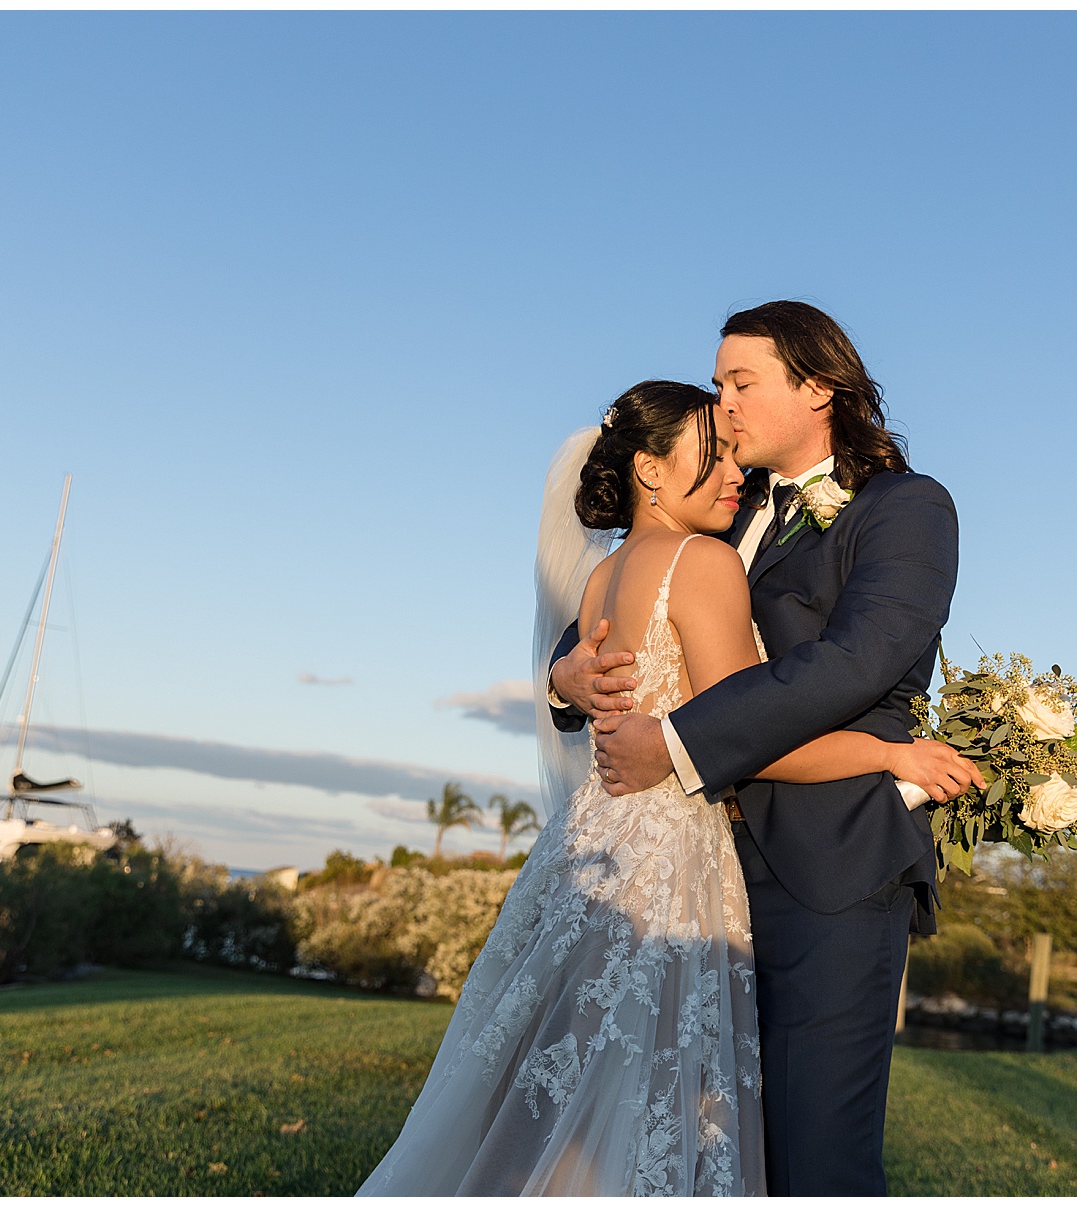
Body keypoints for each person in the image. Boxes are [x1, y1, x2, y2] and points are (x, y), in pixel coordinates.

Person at [358, 378, 968, 1196]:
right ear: (650, 470)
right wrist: (889, 756)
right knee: (657, 1106)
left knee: (564, 1096)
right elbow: (755, 732)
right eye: (711, 452)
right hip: (673, 855)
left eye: (738, 390)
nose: (731, 470)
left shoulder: (604, 571)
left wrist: (569, 678)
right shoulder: (706, 558)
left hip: (593, 848)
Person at [550, 302, 979, 1195]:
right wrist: (570, 675)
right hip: (703, 870)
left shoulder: (905, 509)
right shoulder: (719, 518)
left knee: (814, 1154)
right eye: (716, 385)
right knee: (709, 1145)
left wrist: (674, 741)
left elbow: (853, 662)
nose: (724, 404)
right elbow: (623, 603)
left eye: (741, 382)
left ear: (818, 387)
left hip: (829, 865)